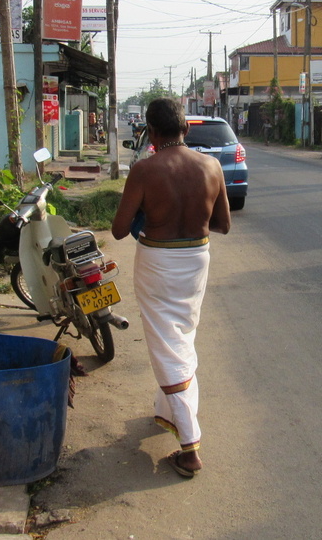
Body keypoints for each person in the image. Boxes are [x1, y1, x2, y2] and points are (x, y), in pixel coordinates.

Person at [111, 98, 231, 478]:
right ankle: (169, 414)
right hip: (196, 260)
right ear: (187, 129)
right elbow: (224, 224)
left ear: (151, 131)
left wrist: (150, 216)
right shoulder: (211, 166)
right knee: (180, 338)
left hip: (158, 262)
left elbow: (117, 229)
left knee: (167, 343)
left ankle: (191, 446)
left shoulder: (145, 170)